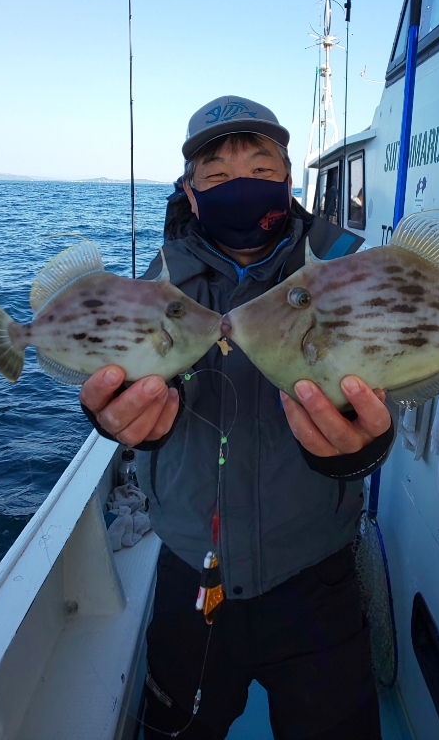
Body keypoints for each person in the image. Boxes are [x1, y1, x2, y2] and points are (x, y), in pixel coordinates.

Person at [79, 96, 397, 740]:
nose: (242, 184)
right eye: (218, 177)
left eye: (260, 167)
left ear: (287, 181)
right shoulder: (156, 289)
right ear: (191, 196)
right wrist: (123, 422)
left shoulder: (348, 272)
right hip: (192, 575)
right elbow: (122, 389)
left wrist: (362, 450)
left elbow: (401, 388)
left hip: (316, 574)